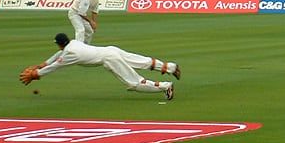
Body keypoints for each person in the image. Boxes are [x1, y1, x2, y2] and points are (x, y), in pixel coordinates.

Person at [19, 33, 179, 100]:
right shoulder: (73, 43)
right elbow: (56, 58)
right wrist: (41, 64)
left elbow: (55, 66)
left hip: (109, 59)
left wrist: (36, 74)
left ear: (59, 44)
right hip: (110, 50)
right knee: (141, 61)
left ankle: (166, 86)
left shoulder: (69, 54)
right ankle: (170, 67)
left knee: (134, 83)